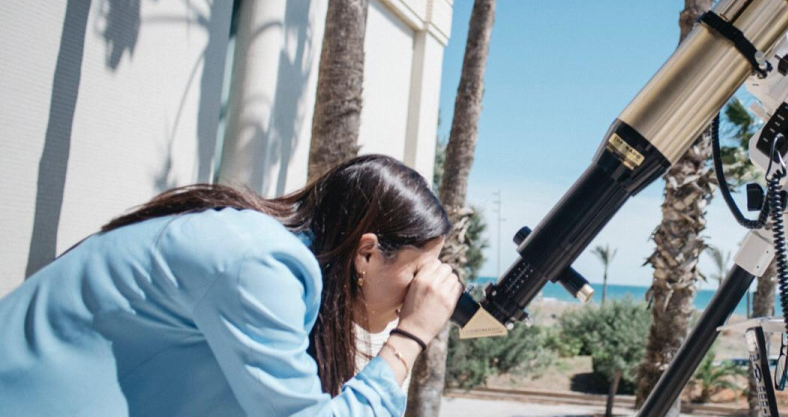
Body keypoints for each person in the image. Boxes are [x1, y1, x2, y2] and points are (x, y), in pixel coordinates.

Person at [0, 154, 463, 416]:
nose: (421, 294)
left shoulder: (270, 259)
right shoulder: (260, 263)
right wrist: (409, 337)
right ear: (366, 254)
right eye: (419, 272)